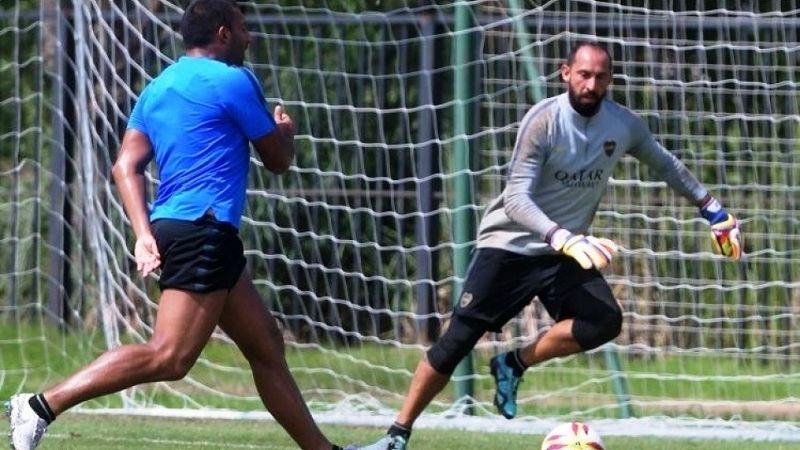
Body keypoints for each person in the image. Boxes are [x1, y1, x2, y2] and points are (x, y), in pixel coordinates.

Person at [5, 1, 355, 449]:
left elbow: (124, 166)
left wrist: (143, 233)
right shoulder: (234, 80)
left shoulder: (158, 87)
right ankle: (40, 405)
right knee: (169, 356)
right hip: (204, 230)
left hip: (180, 229)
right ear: (224, 33)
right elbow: (279, 161)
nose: (250, 38)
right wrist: (286, 131)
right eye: (244, 29)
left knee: (267, 347)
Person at [358, 41, 742, 450]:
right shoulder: (543, 121)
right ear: (565, 73)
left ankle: (513, 362)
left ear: (610, 79)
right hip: (511, 245)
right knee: (455, 344)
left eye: (600, 76)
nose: (591, 84)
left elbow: (667, 164)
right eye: (583, 74)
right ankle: (396, 437)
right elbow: (515, 199)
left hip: (564, 252)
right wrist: (562, 236)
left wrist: (712, 209)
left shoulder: (623, 125)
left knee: (604, 321)